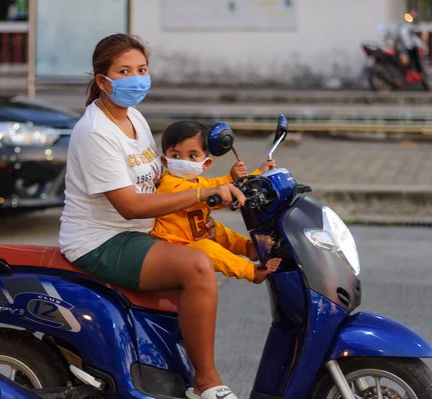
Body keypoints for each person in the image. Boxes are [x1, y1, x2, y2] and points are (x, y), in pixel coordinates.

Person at [58, 33, 246, 399]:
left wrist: (210, 196)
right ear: (102, 81)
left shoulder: (135, 119)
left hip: (139, 231)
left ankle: (161, 368)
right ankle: (206, 382)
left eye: (141, 69)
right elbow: (130, 206)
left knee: (203, 245)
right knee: (197, 267)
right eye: (124, 71)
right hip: (100, 240)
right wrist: (203, 193)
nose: (136, 78)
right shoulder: (96, 132)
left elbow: (163, 180)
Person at [150, 121, 282, 283]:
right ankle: (251, 271)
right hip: (176, 247)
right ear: (165, 161)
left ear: (206, 163)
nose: (184, 161)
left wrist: (258, 173)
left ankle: (248, 247)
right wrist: (230, 181)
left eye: (192, 156)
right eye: (176, 155)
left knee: (219, 230)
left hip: (195, 235)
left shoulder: (198, 181)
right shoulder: (170, 184)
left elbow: (215, 187)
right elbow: (209, 192)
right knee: (207, 248)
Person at [398, 9, 427, 77]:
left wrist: (420, 45)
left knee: (415, 61)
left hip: (412, 47)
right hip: (406, 48)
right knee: (408, 62)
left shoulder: (413, 26)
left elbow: (414, 37)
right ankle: (409, 75)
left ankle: (418, 75)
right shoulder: (404, 27)